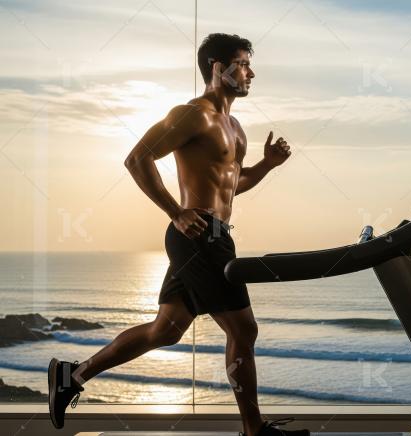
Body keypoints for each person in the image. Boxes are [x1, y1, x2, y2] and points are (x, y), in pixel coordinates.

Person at [47, 33, 308, 436]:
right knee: (243, 330)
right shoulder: (193, 114)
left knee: (166, 330)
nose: (251, 72)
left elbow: (233, 185)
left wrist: (268, 165)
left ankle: (73, 375)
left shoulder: (235, 129)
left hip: (212, 234)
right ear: (218, 68)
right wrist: (176, 212)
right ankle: (254, 431)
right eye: (242, 63)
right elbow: (137, 158)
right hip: (198, 234)